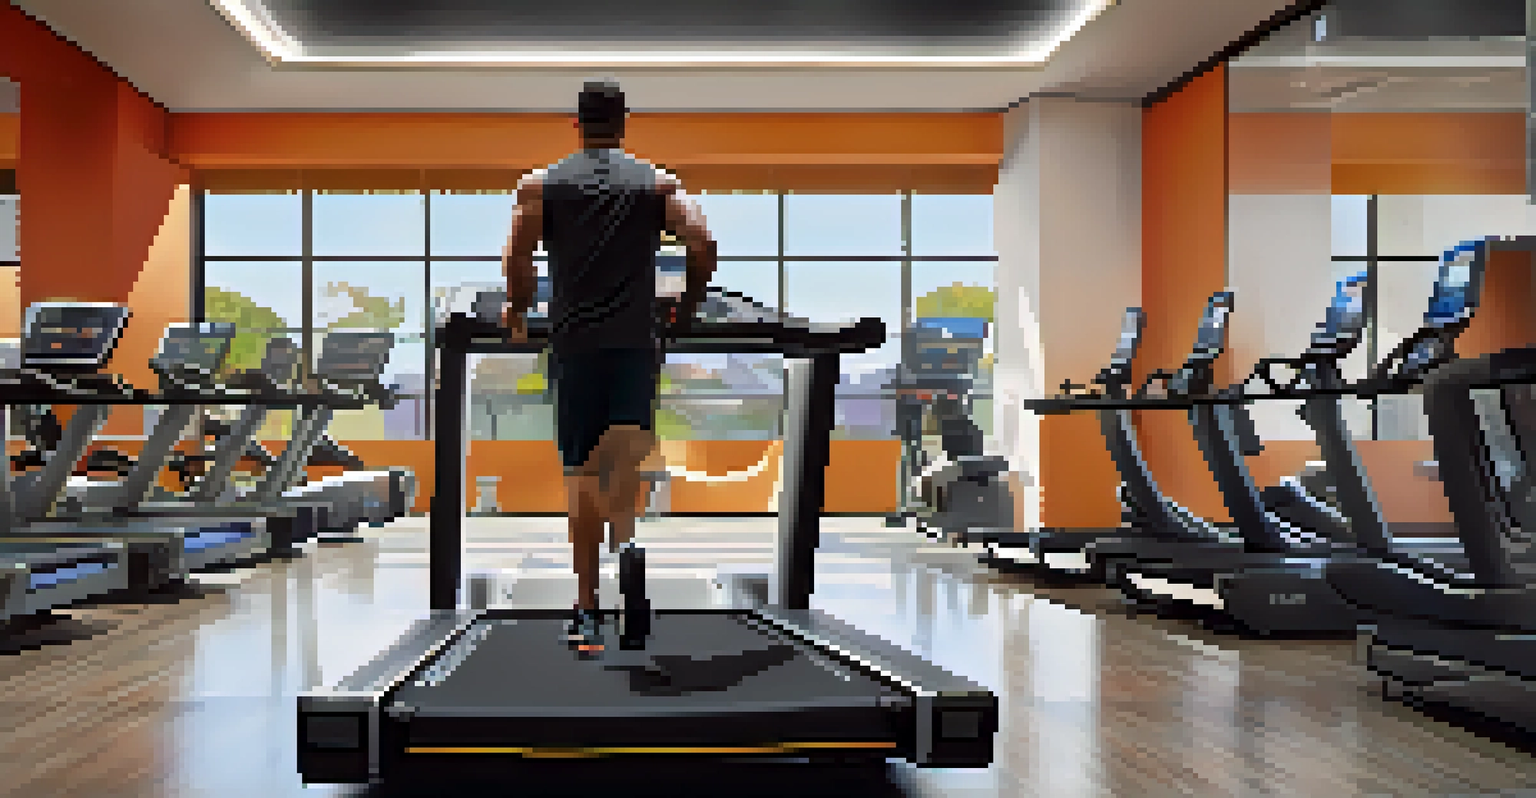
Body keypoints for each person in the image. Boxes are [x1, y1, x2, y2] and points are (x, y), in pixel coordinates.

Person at [501, 78, 717, 655]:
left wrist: (517, 310)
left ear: (576, 125)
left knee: (580, 474)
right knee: (620, 462)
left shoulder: (539, 186)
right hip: (634, 346)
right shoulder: (657, 183)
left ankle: (588, 607)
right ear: (623, 126)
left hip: (576, 346)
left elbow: (518, 257)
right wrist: (689, 305)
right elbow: (702, 241)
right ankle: (627, 545)